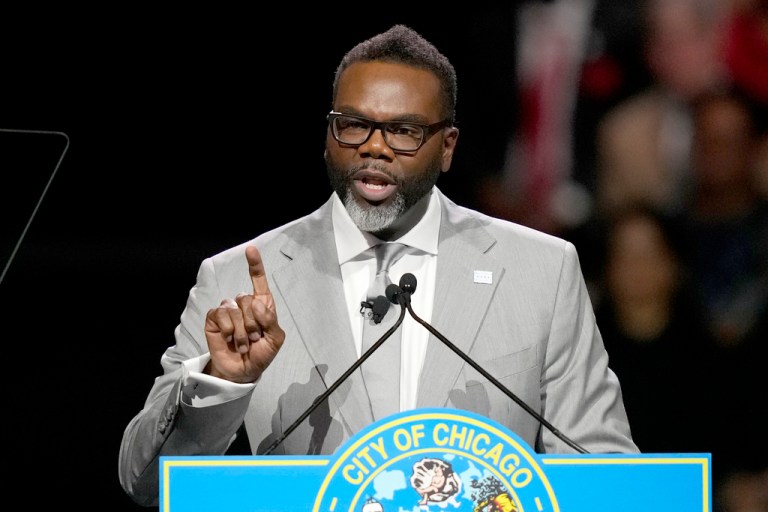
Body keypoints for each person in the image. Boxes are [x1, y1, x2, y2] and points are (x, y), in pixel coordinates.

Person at [118, 24, 639, 507]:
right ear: (328, 135)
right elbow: (146, 483)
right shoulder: (238, 279)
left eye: (404, 131)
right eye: (354, 126)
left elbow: (607, 471)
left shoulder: (541, 271)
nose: (374, 147)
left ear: (447, 147)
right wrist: (219, 385)